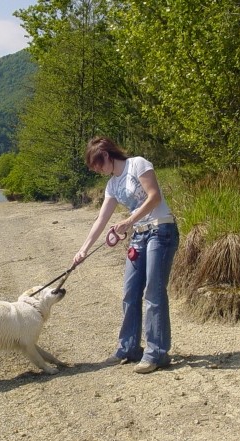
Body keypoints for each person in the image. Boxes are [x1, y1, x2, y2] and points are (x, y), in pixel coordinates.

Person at [73, 136, 180, 373]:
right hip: (139, 236)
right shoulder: (112, 185)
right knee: (130, 292)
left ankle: (157, 353)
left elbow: (155, 197)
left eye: (98, 164)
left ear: (107, 156)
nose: (97, 170)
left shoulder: (138, 164)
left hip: (161, 231)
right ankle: (129, 347)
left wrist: (129, 220)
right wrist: (83, 249)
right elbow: (101, 219)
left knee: (153, 292)